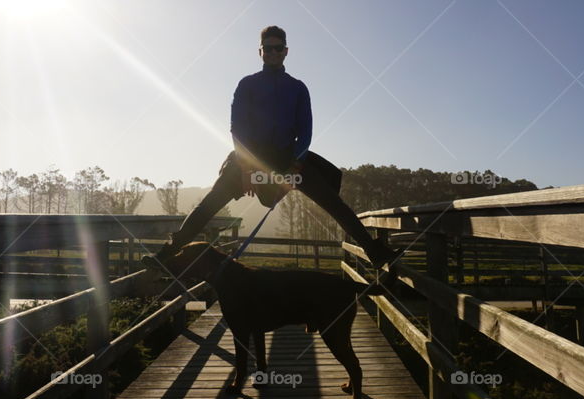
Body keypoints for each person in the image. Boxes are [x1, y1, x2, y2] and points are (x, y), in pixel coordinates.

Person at [142, 25, 398, 274]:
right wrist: (245, 169)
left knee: (333, 202)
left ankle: (375, 252)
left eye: (278, 49)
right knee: (208, 205)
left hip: (289, 159)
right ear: (260, 51)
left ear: (286, 51)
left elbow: (305, 131)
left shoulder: (298, 88)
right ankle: (168, 253)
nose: (273, 53)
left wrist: (294, 168)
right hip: (250, 159)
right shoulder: (247, 85)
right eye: (268, 49)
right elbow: (237, 129)